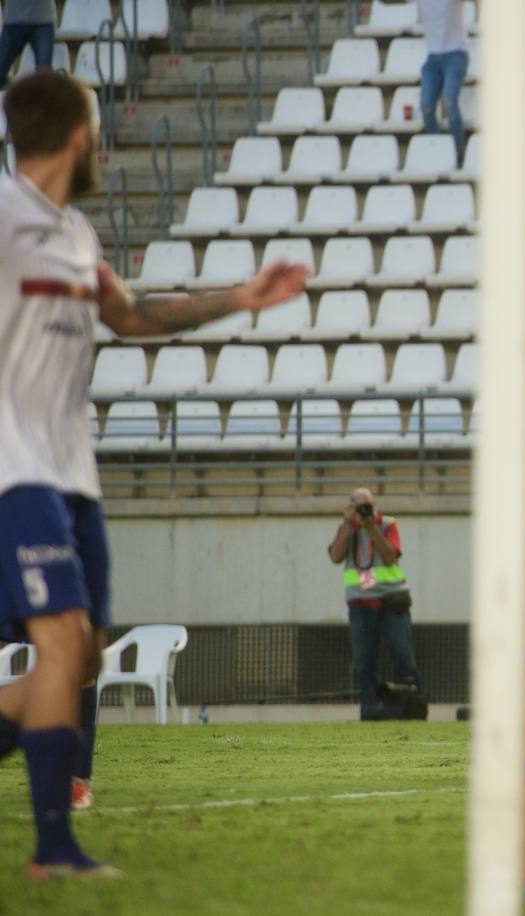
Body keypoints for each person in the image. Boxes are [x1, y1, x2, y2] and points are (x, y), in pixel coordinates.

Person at [0, 71, 306, 879]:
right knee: (61, 645)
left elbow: (132, 317)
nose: (100, 141)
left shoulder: (73, 236)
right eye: (96, 128)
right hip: (14, 469)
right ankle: (54, 849)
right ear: (77, 134)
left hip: (74, 477)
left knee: (82, 660)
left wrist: (241, 297)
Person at [326, 488, 423, 719]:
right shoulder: (346, 528)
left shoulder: (386, 524)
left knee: (403, 654)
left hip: (392, 600)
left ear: (374, 505)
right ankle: (371, 710)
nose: (363, 510)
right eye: (358, 506)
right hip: (361, 603)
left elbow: (390, 556)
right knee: (363, 661)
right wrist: (349, 525)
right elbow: (335, 557)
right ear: (350, 507)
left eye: (367, 505)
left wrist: (370, 527)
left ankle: (412, 708)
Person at [416, 0, 469, 161]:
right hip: (433, 56)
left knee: (449, 101)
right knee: (426, 105)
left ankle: (458, 151)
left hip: (455, 53)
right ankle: (438, 150)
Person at [0, 0, 55, 90]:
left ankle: (40, 101)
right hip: (13, 22)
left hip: (42, 21)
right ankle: (17, 93)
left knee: (44, 73)